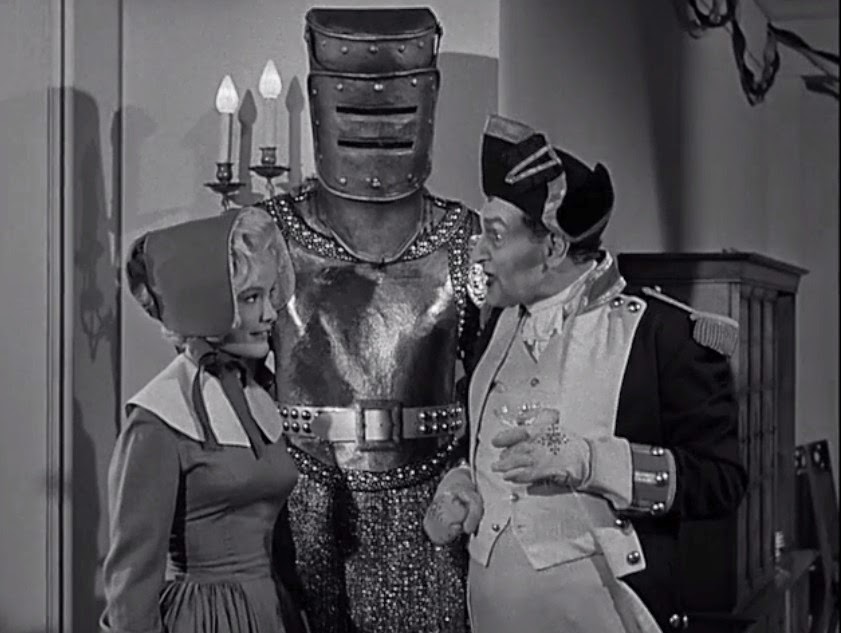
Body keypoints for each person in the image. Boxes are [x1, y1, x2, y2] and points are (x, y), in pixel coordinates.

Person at [424, 114, 748, 632]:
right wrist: (462, 480)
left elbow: (721, 481)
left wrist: (594, 462)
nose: (477, 251)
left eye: (495, 235)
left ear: (552, 247)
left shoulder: (660, 336)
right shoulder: (493, 327)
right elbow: (476, 441)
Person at [258, 7, 479, 633]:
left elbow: (494, 381)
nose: (376, 123)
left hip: (431, 507)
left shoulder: (463, 236)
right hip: (302, 503)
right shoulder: (275, 232)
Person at [100, 207, 307, 633]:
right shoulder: (158, 419)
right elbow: (131, 584)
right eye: (251, 298)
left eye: (270, 295)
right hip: (205, 618)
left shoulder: (259, 395)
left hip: (271, 612)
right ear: (206, 305)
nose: (270, 314)